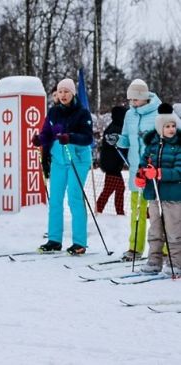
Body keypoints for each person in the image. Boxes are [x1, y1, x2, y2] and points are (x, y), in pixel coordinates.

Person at [32, 78, 93, 255]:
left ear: (73, 93)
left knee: (74, 197)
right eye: (60, 91)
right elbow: (47, 134)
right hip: (59, 159)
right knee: (55, 199)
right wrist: (39, 139)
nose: (63, 94)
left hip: (78, 160)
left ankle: (79, 242)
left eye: (66, 91)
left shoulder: (82, 113)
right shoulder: (53, 112)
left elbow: (88, 138)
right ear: (57, 94)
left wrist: (71, 137)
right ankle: (54, 240)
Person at [116, 79, 161, 261]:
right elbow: (126, 139)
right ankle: (135, 248)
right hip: (137, 171)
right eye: (130, 100)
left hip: (155, 171)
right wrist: (117, 140)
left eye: (135, 99)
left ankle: (164, 250)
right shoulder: (130, 115)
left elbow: (175, 135)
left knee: (158, 213)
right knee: (137, 211)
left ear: (144, 97)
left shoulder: (160, 112)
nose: (132, 103)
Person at [136, 103, 181, 275]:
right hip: (154, 195)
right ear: (159, 127)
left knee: (174, 232)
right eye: (167, 126)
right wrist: (140, 175)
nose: (171, 129)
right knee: (155, 229)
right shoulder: (152, 146)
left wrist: (159, 173)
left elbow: (179, 170)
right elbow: (143, 163)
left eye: (173, 126)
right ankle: (154, 261)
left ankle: (175, 263)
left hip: (173, 197)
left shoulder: (178, 147)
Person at [96, 106, 128, 215]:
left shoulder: (113, 126)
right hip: (112, 165)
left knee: (114, 188)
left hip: (112, 164)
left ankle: (104, 209)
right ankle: (102, 209)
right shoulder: (116, 128)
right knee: (113, 188)